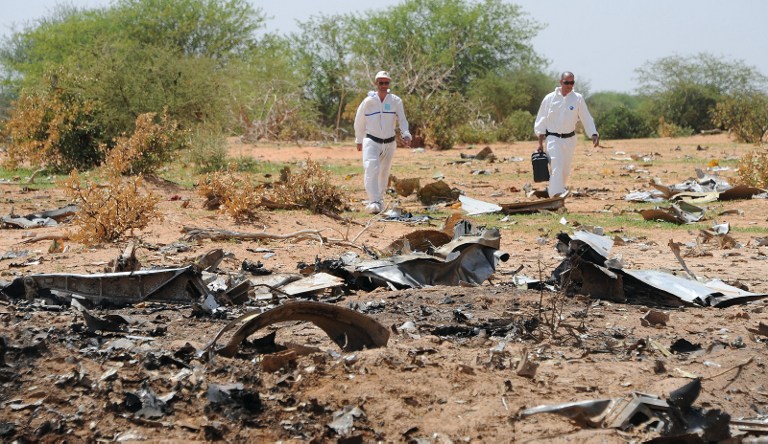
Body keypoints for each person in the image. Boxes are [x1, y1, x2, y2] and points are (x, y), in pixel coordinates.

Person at [354, 70, 412, 214]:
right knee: (371, 168)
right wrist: (359, 139)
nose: (384, 85)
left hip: (389, 142)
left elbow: (402, 120)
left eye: (386, 83)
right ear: (376, 83)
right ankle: (373, 200)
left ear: (389, 84)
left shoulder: (395, 101)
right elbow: (359, 120)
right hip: (371, 141)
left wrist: (406, 134)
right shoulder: (368, 102)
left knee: (384, 172)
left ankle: (379, 200)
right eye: (381, 83)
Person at [534, 71, 599, 197]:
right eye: (567, 82)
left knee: (565, 171)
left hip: (570, 139)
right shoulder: (549, 98)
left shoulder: (577, 98)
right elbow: (541, 120)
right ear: (561, 82)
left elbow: (586, 117)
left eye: (572, 82)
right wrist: (540, 143)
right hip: (553, 138)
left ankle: (556, 190)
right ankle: (555, 196)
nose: (569, 85)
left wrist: (593, 134)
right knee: (556, 167)